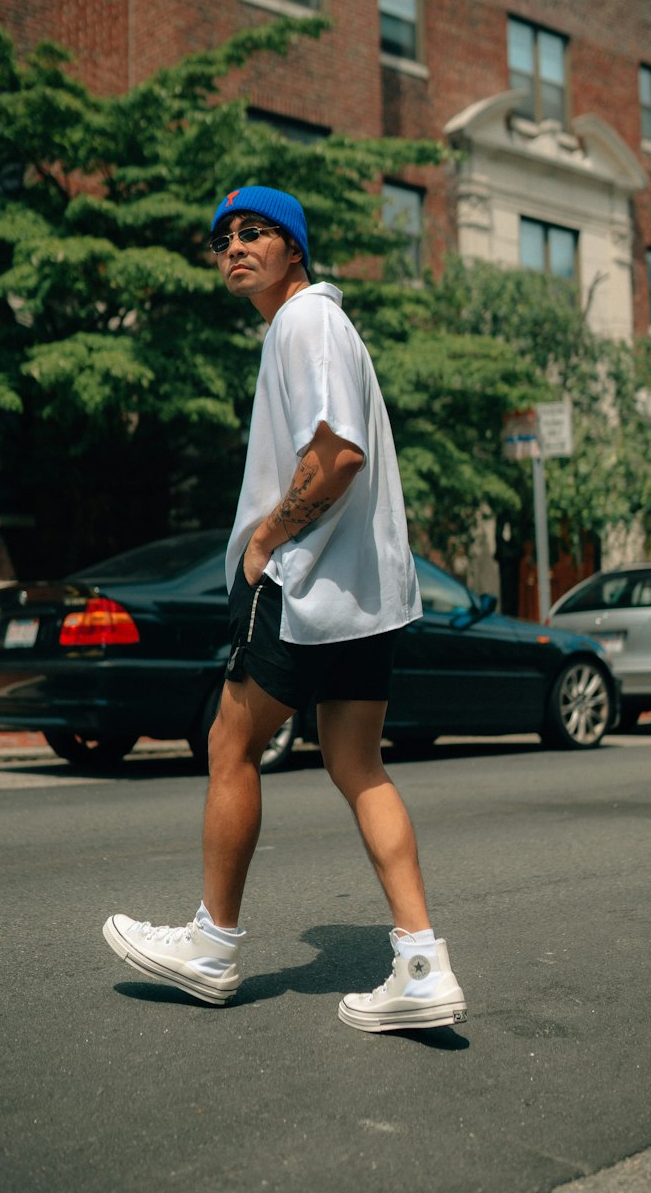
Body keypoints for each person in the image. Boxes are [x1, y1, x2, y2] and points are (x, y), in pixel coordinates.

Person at [103, 186, 466, 1032]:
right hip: (362, 598)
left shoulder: (305, 323)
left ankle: (212, 946)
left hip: (303, 587)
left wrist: (264, 542)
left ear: (293, 247)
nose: (233, 244)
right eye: (222, 235)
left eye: (253, 231)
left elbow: (336, 455)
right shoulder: (312, 328)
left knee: (232, 740)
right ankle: (421, 963)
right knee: (357, 764)